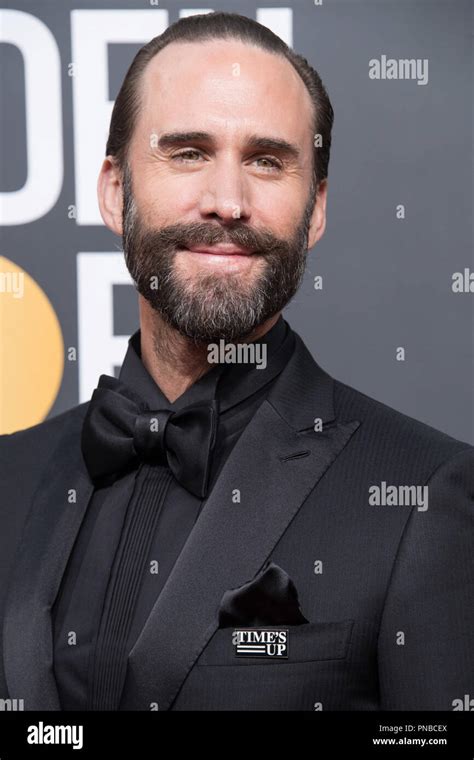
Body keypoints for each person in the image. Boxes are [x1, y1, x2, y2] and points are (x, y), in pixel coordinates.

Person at [0, 12, 472, 712]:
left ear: (314, 210)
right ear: (115, 191)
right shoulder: (10, 475)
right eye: (188, 152)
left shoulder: (425, 495)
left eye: (267, 160)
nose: (228, 202)